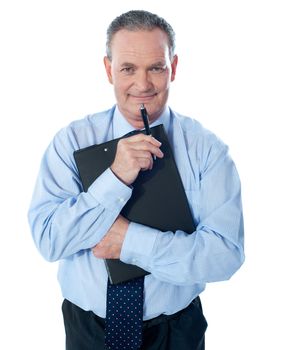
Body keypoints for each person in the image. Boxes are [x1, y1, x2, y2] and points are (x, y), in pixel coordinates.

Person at [28, 9, 245, 350]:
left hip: (177, 332)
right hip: (87, 331)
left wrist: (128, 241)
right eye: (128, 68)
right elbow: (49, 240)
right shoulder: (71, 142)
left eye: (156, 68)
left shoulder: (208, 151)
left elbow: (225, 254)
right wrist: (114, 178)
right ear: (108, 69)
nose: (142, 84)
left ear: (173, 68)